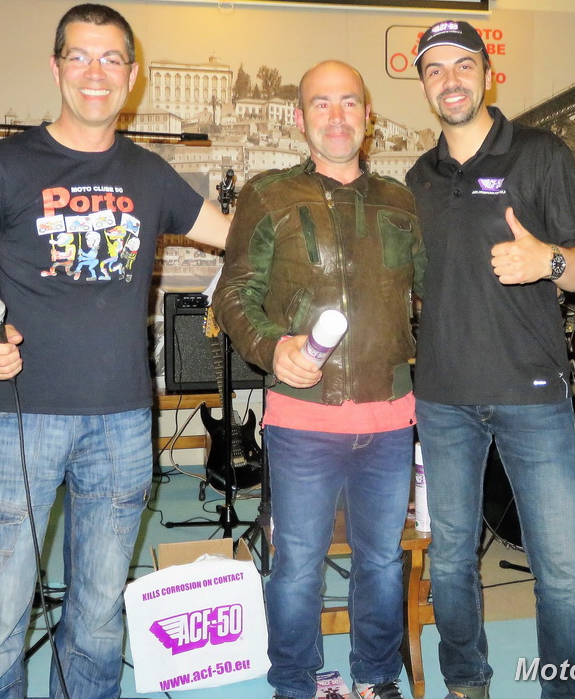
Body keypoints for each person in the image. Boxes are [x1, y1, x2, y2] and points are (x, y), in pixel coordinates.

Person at [0, 3, 229, 699]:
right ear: (56, 68)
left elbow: (238, 234)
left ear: (131, 75)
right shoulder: (2, 164)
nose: (95, 72)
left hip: (123, 418)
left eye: (110, 59)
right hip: (21, 415)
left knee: (99, 615)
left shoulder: (150, 173)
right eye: (79, 56)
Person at [405, 20, 575, 699]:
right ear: (423, 84)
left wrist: (547, 261)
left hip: (532, 392)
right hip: (443, 397)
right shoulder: (418, 178)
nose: (450, 80)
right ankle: (467, 682)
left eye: (463, 65)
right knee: (451, 561)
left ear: (487, 74)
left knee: (560, 567)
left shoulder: (541, 155)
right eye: (435, 69)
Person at [213, 60, 425, 699]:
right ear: (299, 117)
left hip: (390, 420)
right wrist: (271, 346)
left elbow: (436, 296)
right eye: (321, 103)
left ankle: (377, 679)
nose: (337, 116)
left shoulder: (401, 202)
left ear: (368, 115)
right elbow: (234, 294)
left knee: (381, 562)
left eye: (349, 102)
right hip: (302, 421)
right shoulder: (268, 195)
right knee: (298, 566)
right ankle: (294, 683)